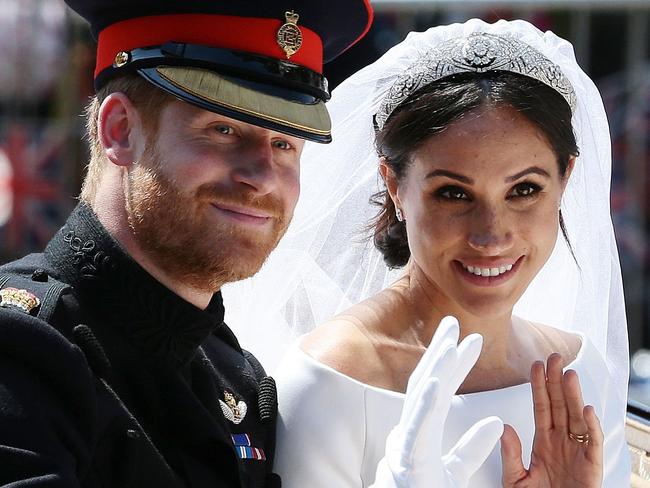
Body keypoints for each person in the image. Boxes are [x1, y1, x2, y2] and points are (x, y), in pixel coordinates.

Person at [222, 18, 631, 486]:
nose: (491, 234)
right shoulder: (331, 381)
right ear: (394, 186)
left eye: (524, 189)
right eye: (453, 194)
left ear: (566, 179)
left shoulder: (579, 374)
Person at [0, 1, 373, 486]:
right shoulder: (23, 350)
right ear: (120, 130)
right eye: (223, 129)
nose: (262, 176)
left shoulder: (236, 376)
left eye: (285, 144)